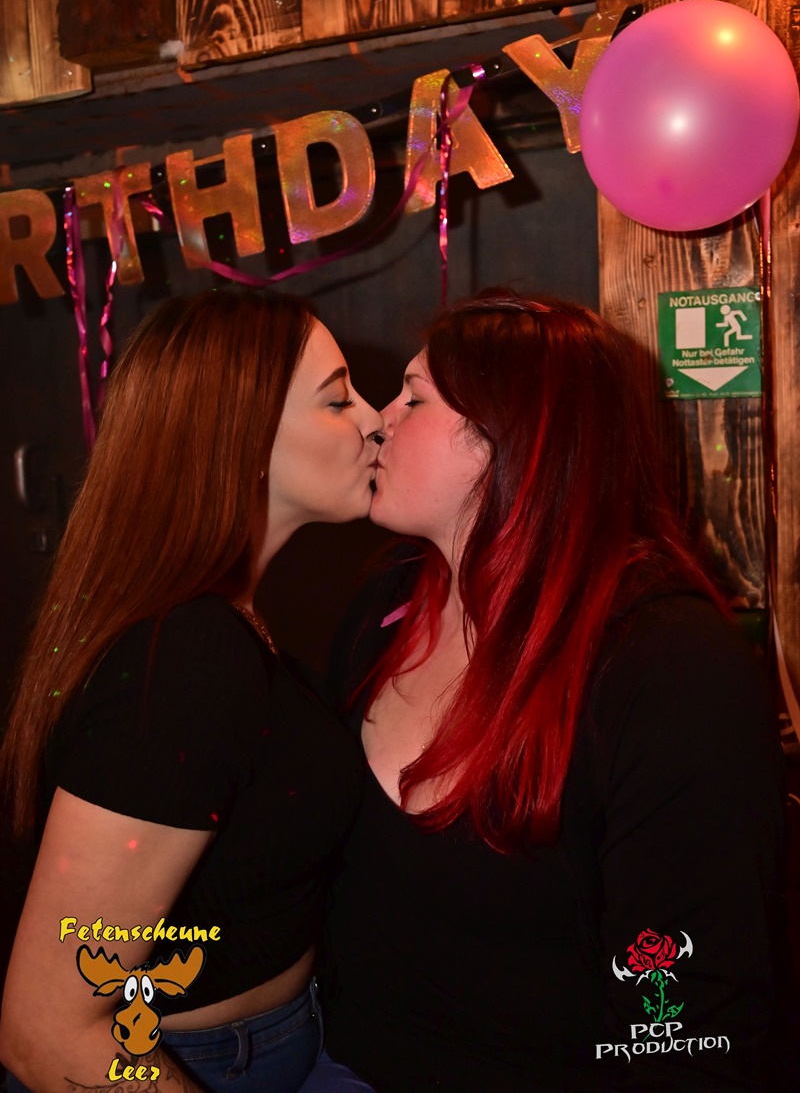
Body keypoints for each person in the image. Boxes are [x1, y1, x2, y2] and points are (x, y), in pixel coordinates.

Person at [318, 290, 786, 1092]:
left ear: (512, 437)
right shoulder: (385, 604)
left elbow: (686, 1026)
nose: (378, 420)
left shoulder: (666, 666)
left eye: (413, 397)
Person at [0, 287, 384, 1093]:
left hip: (280, 1045)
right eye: (338, 399)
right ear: (242, 439)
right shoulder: (188, 654)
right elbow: (47, 1033)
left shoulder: (228, 623)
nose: (374, 419)